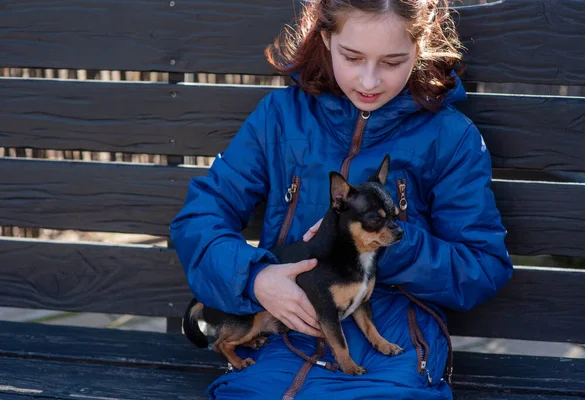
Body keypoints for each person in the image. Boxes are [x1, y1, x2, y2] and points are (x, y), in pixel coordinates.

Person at [170, 0, 513, 398]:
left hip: (391, 335)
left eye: (392, 62)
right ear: (327, 39)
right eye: (352, 57)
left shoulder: (451, 138)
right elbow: (198, 218)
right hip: (285, 327)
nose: (369, 82)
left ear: (420, 48)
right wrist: (254, 277)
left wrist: (382, 241)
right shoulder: (280, 117)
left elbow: (483, 265)